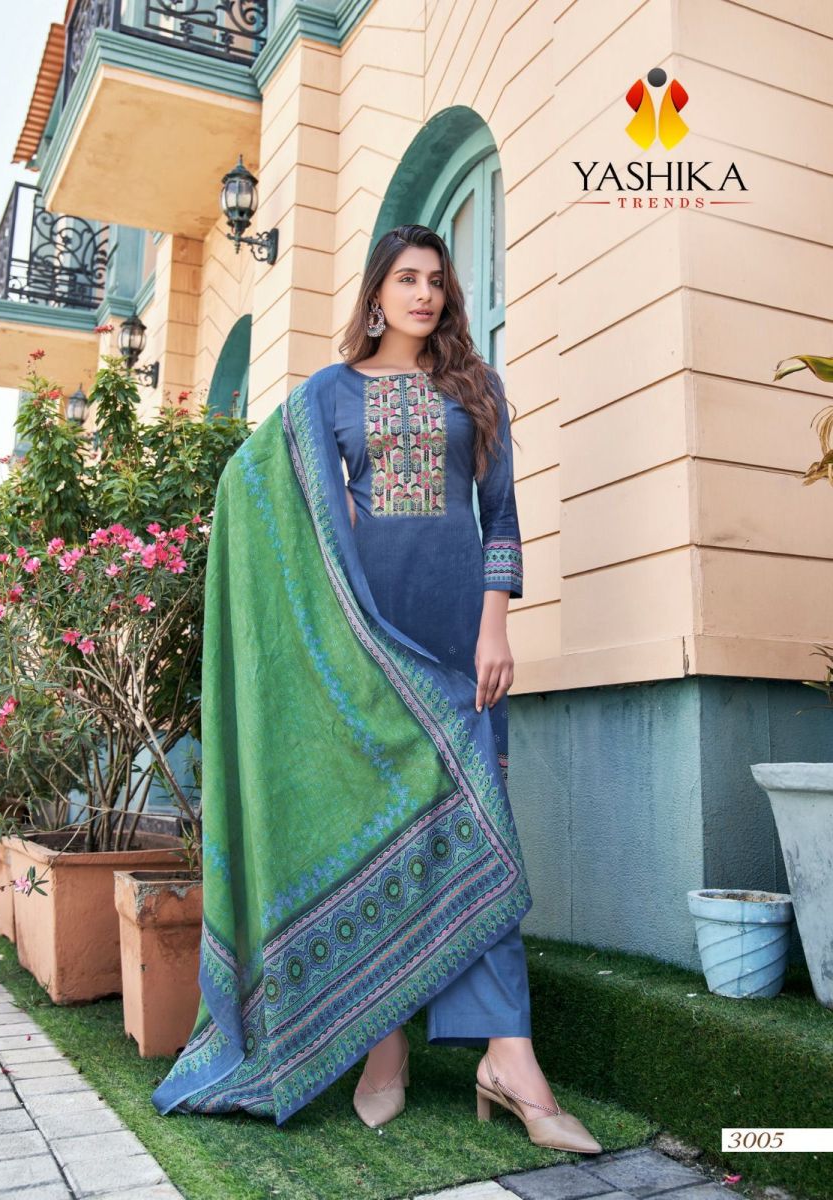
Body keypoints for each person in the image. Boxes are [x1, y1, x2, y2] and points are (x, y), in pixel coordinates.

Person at [150, 224, 601, 1156]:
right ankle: (381, 1042)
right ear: (376, 294)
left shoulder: (476, 389)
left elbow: (502, 519)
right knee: (380, 820)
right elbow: (250, 486)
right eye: (407, 278)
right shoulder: (328, 394)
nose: (425, 293)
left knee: (476, 822)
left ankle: (509, 1058)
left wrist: (495, 624)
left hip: (458, 633)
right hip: (364, 640)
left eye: (437, 280)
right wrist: (326, 523)